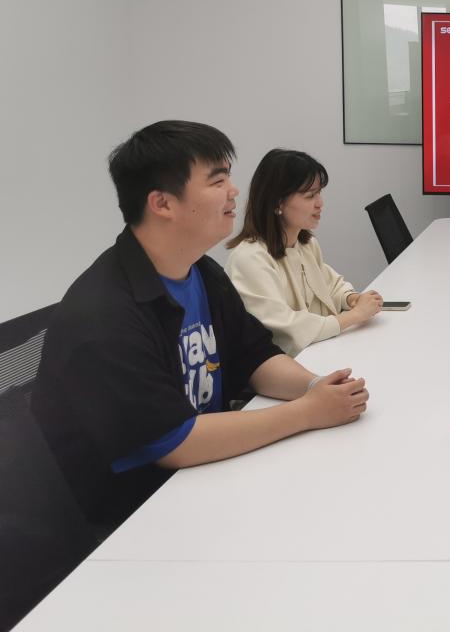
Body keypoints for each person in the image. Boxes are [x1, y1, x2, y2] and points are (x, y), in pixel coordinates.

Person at [32, 121, 370, 532]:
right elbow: (176, 440)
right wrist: (307, 412)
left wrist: (317, 387)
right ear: (162, 203)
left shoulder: (202, 273)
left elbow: (254, 355)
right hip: (141, 516)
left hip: (207, 477)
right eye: (217, 181)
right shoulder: (103, 316)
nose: (234, 191)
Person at [226, 149, 383, 357]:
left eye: (319, 193)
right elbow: (288, 329)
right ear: (277, 203)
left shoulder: (306, 244)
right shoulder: (249, 259)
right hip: (285, 368)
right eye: (310, 195)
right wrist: (355, 316)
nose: (320, 203)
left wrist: (351, 298)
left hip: (319, 353)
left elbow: (330, 285)